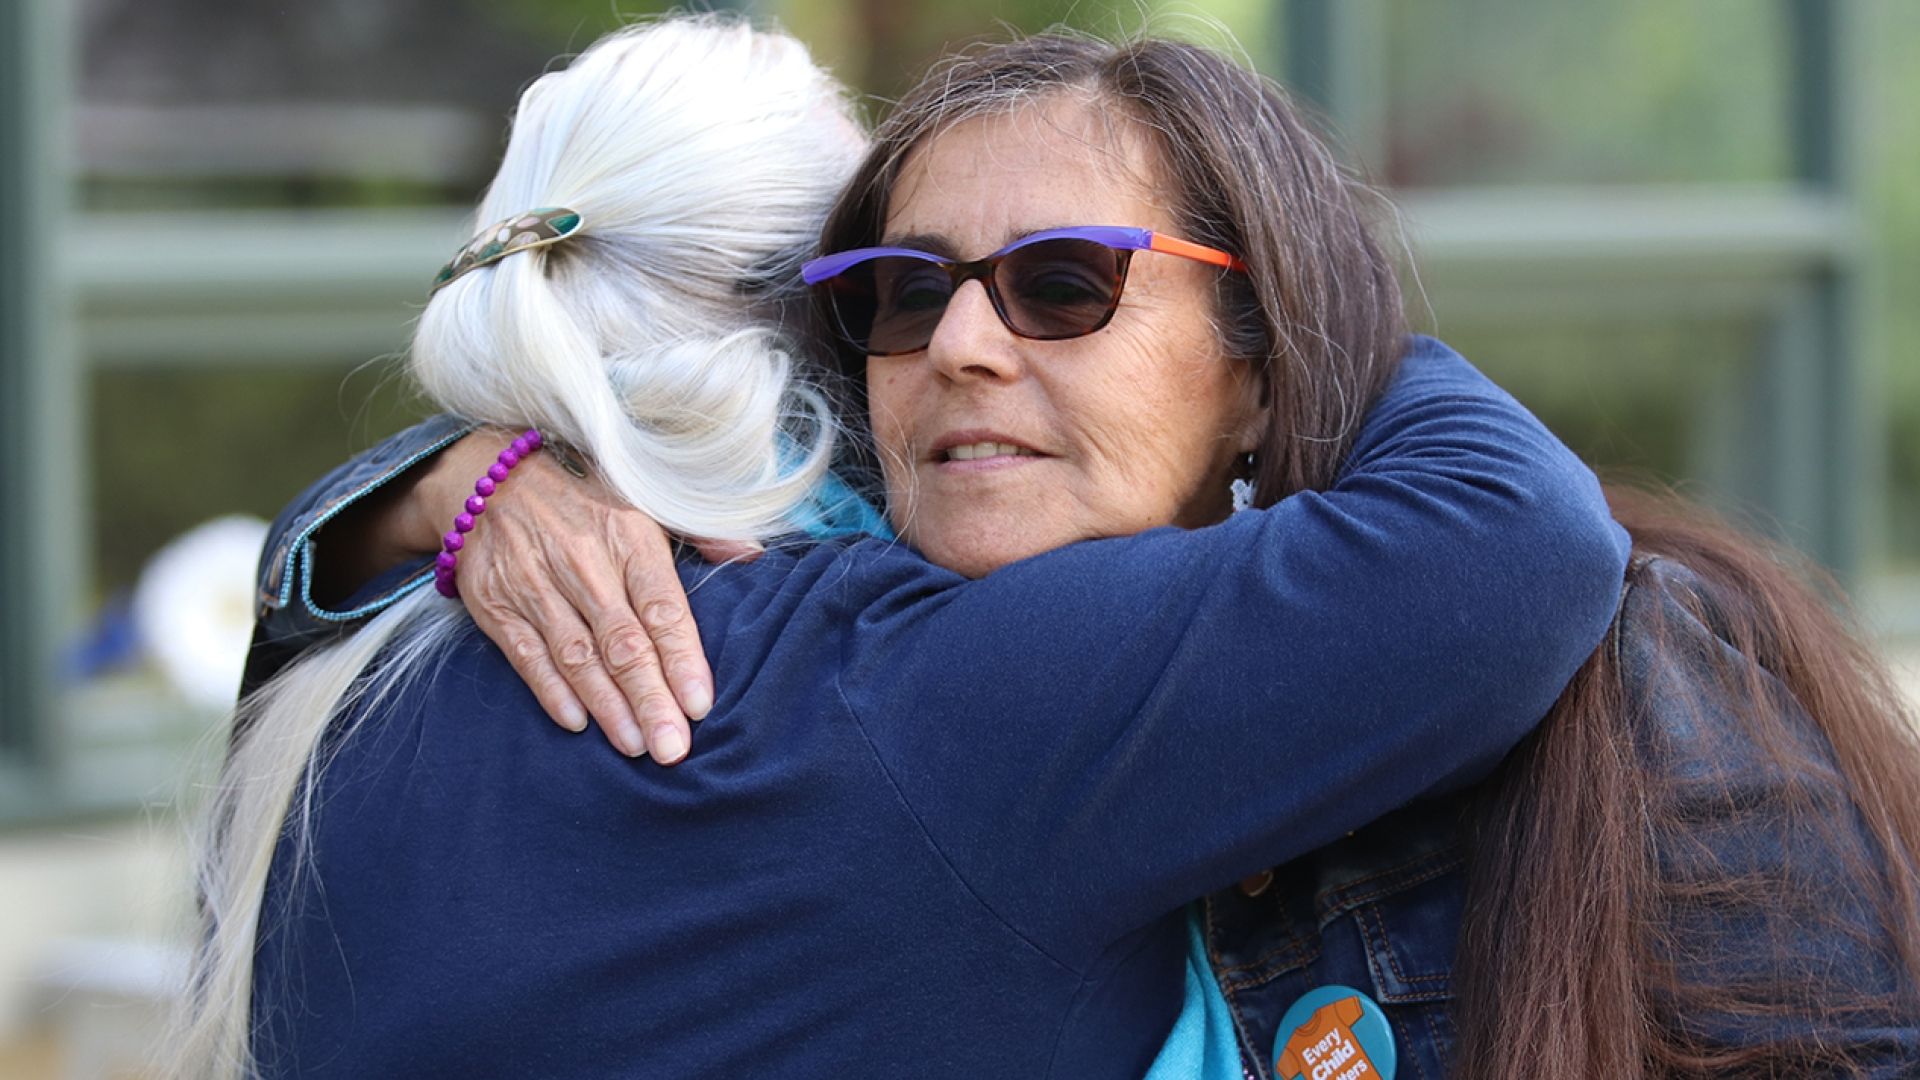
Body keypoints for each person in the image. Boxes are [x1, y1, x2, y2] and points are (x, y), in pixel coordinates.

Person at [209, 23, 1919, 1080]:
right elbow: (1502, 532)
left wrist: (442, 480)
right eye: (892, 292)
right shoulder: (906, 687)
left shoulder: (332, 692)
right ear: (821, 354)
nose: (959, 345)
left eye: (1063, 281)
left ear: (1259, 351)